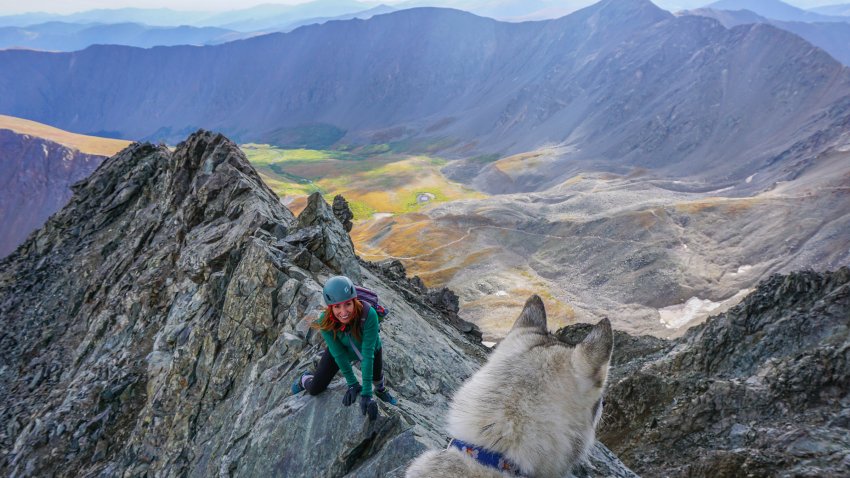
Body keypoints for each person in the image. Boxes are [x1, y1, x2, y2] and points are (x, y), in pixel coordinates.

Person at [291, 275, 397, 420]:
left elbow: (368, 355)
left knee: (376, 376)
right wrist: (352, 384)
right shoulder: (325, 322)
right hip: (342, 349)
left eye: (347, 304)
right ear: (331, 307)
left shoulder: (368, 314)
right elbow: (339, 354)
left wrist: (367, 394)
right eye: (337, 306)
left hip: (368, 347)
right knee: (315, 389)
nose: (344, 312)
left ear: (354, 301)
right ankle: (305, 378)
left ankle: (381, 390)